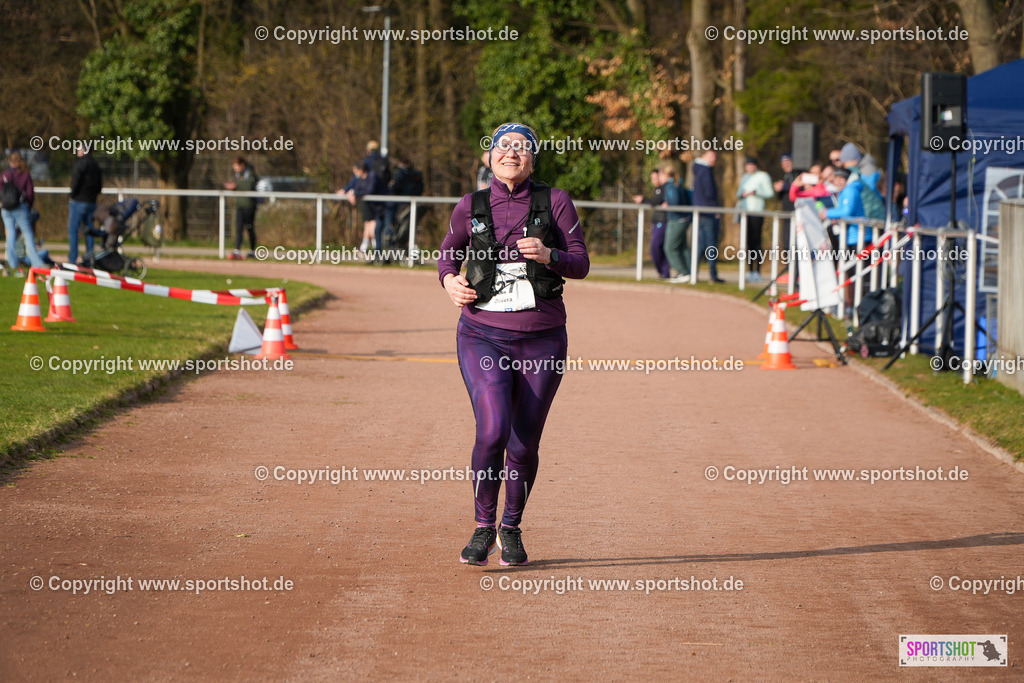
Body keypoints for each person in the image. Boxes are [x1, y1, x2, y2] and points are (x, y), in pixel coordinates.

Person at [438, 122, 589, 567]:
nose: (512, 153)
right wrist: (449, 281)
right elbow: (449, 252)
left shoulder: (555, 201)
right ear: (489, 157)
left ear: (533, 159)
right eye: (503, 146)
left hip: (542, 337)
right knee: (492, 429)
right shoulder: (471, 205)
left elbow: (580, 262)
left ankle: (511, 526)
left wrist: (550, 256)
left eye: (522, 148)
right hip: (482, 332)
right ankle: (483, 528)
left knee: (524, 443)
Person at [1, 152, 46, 269]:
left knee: (10, 234)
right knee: (28, 234)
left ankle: (11, 262)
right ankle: (36, 262)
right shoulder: (25, 175)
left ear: (10, 162)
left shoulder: (5, 175)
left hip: (6, 208)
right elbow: (30, 193)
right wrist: (29, 206)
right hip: (20, 208)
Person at [736, 157, 774, 281]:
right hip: (745, 212)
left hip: (757, 213)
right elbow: (738, 193)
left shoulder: (763, 176)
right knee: (748, 243)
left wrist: (756, 192)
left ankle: (758, 271)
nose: (750, 168)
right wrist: (743, 194)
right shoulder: (745, 177)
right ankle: (750, 270)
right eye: (748, 165)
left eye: (752, 165)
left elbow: (770, 193)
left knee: (756, 242)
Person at [67, 144, 103, 265]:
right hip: (92, 202)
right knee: (89, 231)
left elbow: (76, 181)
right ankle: (89, 258)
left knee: (73, 230)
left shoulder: (80, 164)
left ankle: (73, 259)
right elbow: (99, 186)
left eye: (78, 149)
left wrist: (72, 194)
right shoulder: (96, 165)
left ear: (83, 151)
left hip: (79, 201)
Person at [692, 149, 723, 282]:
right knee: (710, 244)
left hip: (701, 213)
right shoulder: (705, 172)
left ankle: (693, 272)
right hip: (708, 213)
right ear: (704, 156)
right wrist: (716, 209)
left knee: (700, 244)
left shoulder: (698, 170)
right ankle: (713, 275)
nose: (713, 159)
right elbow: (710, 192)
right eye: (711, 156)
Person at [633, 169, 669, 279]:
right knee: (658, 248)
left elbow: (655, 201)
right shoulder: (657, 189)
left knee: (656, 247)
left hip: (662, 221)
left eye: (656, 178)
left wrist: (643, 200)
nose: (654, 181)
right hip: (657, 222)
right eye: (652, 179)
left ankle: (664, 272)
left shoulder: (664, 188)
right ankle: (664, 273)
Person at [661, 161, 692, 283]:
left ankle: (683, 272)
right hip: (683, 219)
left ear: (667, 175)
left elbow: (675, 201)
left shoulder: (670, 186)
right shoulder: (677, 184)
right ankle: (689, 272)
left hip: (677, 219)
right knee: (683, 247)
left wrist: (668, 205)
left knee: (669, 248)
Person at [223, 156, 259, 260]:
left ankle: (252, 251)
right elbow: (238, 185)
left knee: (250, 228)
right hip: (240, 205)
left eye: (236, 165)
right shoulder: (238, 175)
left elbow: (248, 186)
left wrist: (235, 185)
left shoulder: (250, 173)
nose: (234, 168)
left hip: (249, 205)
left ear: (242, 165)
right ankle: (237, 250)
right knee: (238, 228)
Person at [773, 153, 797, 253]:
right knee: (786, 242)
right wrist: (778, 190)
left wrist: (785, 186)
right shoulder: (785, 176)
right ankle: (789, 266)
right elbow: (780, 198)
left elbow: (798, 188)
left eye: (787, 162)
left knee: (794, 242)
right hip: (786, 214)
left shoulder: (797, 174)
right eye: (783, 163)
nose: (785, 165)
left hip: (795, 213)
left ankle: (795, 268)